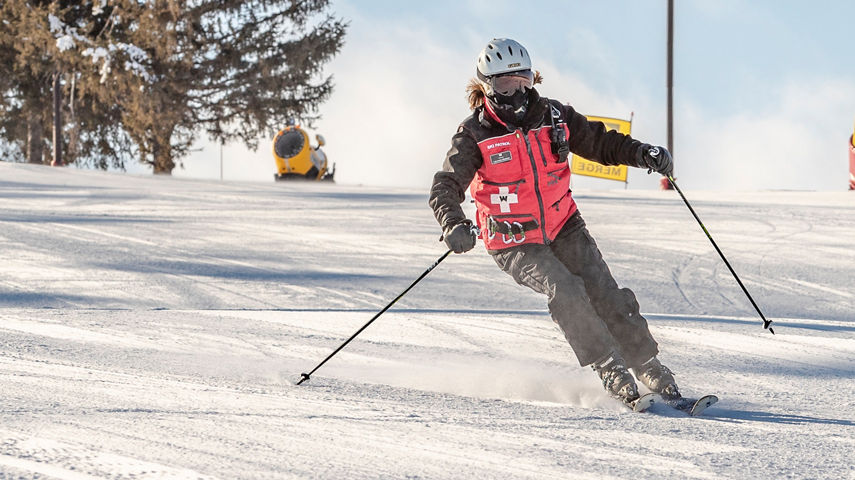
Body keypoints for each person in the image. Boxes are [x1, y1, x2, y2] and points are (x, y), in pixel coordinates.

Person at [429, 38, 678, 406]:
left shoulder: (554, 117)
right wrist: (454, 223)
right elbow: (446, 185)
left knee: (604, 290)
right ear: (486, 87)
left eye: (523, 81)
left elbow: (601, 143)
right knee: (566, 289)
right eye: (504, 85)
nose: (516, 92)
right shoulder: (474, 135)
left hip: (563, 225)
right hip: (514, 240)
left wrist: (643, 153)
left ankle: (647, 364)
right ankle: (610, 366)